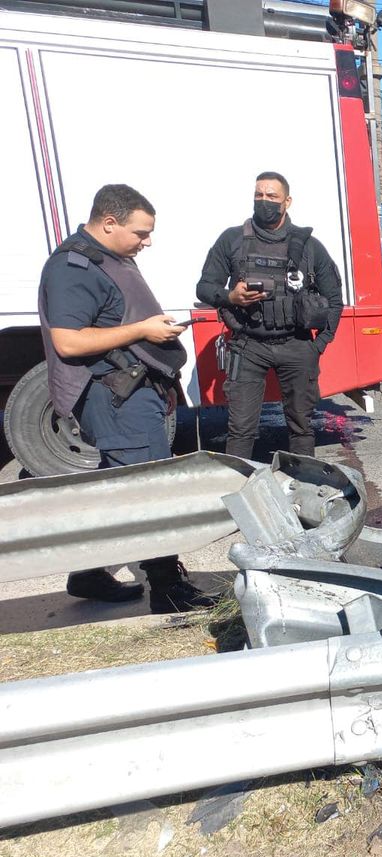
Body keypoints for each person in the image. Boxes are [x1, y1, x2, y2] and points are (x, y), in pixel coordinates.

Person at [38, 184, 210, 612]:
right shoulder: (73, 268)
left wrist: (162, 382)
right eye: (140, 232)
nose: (147, 241)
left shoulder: (110, 257)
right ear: (109, 223)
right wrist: (143, 331)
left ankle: (90, 573)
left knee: (118, 488)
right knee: (148, 492)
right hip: (115, 397)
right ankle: (168, 590)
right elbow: (69, 342)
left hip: (132, 392)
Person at [195, 172, 343, 459]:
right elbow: (204, 287)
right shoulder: (232, 239)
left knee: (301, 427)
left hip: (297, 345)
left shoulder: (310, 246)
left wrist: (318, 345)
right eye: (258, 195)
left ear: (286, 201)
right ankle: (239, 492)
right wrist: (230, 297)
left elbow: (334, 300)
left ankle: (303, 489)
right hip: (249, 345)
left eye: (272, 196)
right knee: (240, 429)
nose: (264, 201)